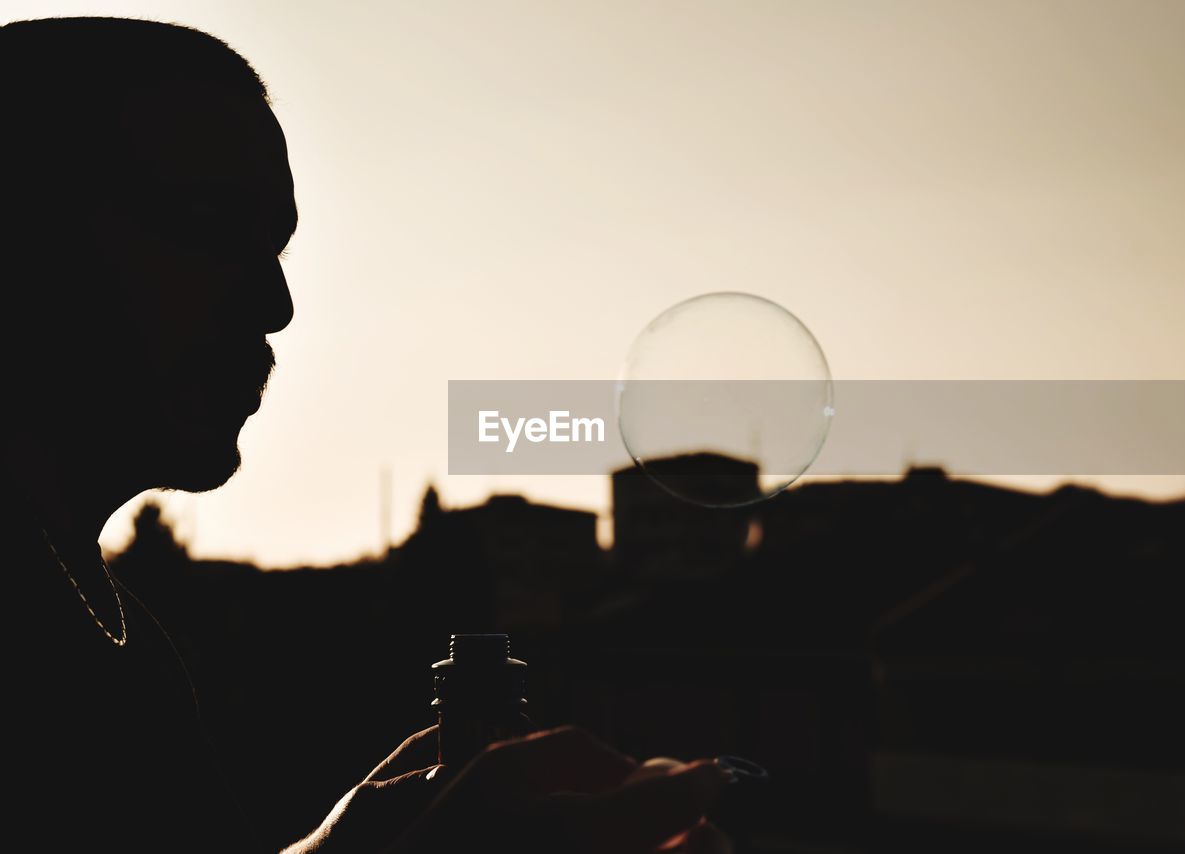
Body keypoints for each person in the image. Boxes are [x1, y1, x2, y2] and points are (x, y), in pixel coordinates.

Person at [0, 17, 732, 853]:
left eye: (275, 248)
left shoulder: (121, 641)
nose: (275, 306)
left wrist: (353, 842)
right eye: (210, 227)